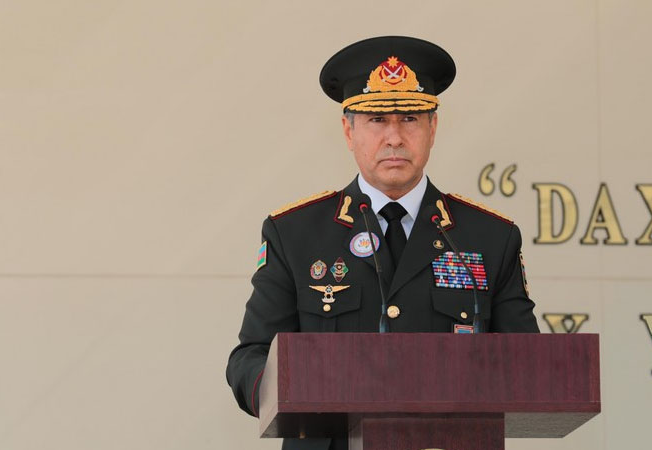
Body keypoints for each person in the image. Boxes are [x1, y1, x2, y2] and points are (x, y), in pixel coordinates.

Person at [226, 36, 540, 450]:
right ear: (348, 130)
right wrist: (289, 390)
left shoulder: (490, 236)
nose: (394, 138)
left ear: (433, 128)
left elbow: (529, 364)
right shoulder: (294, 233)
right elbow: (250, 358)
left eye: (409, 118)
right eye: (377, 120)